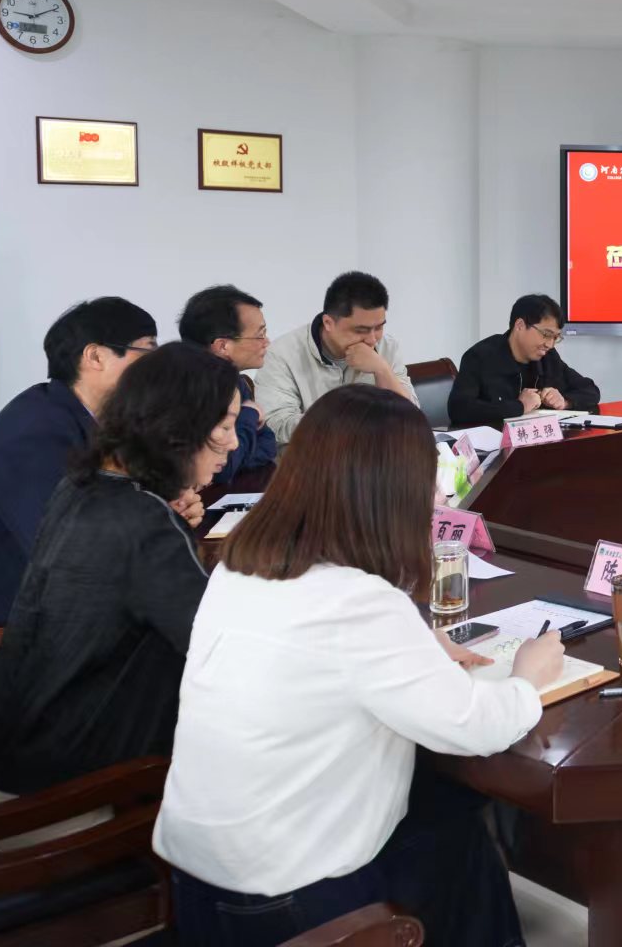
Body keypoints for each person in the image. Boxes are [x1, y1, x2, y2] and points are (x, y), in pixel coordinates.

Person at [154, 385, 565, 946]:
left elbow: (324, 654)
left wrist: (414, 640)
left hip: (200, 877)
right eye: (429, 478)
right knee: (455, 827)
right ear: (390, 491)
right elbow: (476, 726)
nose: (438, 495)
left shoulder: (243, 565)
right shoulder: (358, 601)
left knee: (447, 816)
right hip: (285, 893)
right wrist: (528, 676)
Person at [0, 342, 238, 796]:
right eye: (225, 425)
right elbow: (217, 651)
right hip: (64, 794)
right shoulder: (144, 522)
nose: (234, 442)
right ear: (179, 426)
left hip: (8, 755)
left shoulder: (80, 484)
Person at [0, 297, 157, 700]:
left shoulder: (66, 413)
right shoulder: (36, 433)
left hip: (35, 619)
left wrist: (162, 508)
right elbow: (67, 551)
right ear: (96, 356)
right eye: (147, 352)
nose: (156, 368)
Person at [255, 271, 416, 441]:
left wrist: (382, 370)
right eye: (360, 330)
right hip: (311, 454)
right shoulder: (281, 354)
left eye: (379, 327)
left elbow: (411, 420)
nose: (372, 339)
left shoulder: (387, 347)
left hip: (376, 453)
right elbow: (276, 425)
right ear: (328, 323)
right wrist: (346, 425)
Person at [449, 292, 601, 428]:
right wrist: (519, 406)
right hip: (494, 445)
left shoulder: (548, 357)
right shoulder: (480, 357)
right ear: (520, 326)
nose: (550, 344)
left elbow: (590, 390)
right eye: (546, 334)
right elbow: (459, 409)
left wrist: (565, 401)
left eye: (555, 337)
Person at [178, 284, 278, 485]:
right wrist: (250, 414)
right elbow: (223, 468)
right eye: (259, 335)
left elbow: (268, 445)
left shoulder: (235, 381)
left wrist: (240, 456)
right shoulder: (190, 389)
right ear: (223, 346)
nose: (266, 342)